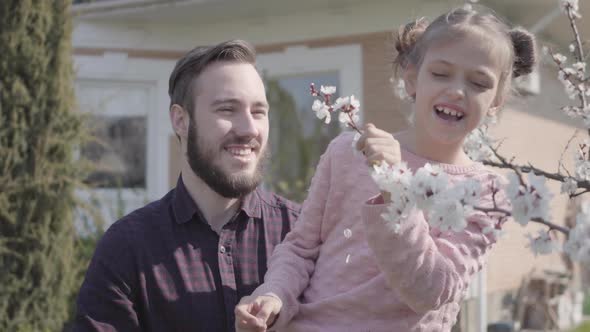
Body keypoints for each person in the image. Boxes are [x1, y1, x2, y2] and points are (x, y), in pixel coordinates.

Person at [235, 5, 536, 332]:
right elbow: (301, 248)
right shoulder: (349, 153)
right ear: (411, 78)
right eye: (440, 73)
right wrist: (275, 295)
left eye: (479, 82)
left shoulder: (487, 194)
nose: (457, 90)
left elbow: (431, 290)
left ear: (496, 101)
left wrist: (397, 189)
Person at [74, 40, 300, 331]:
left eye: (258, 112)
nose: (249, 129)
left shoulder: (301, 236)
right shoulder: (127, 249)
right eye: (227, 110)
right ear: (181, 121)